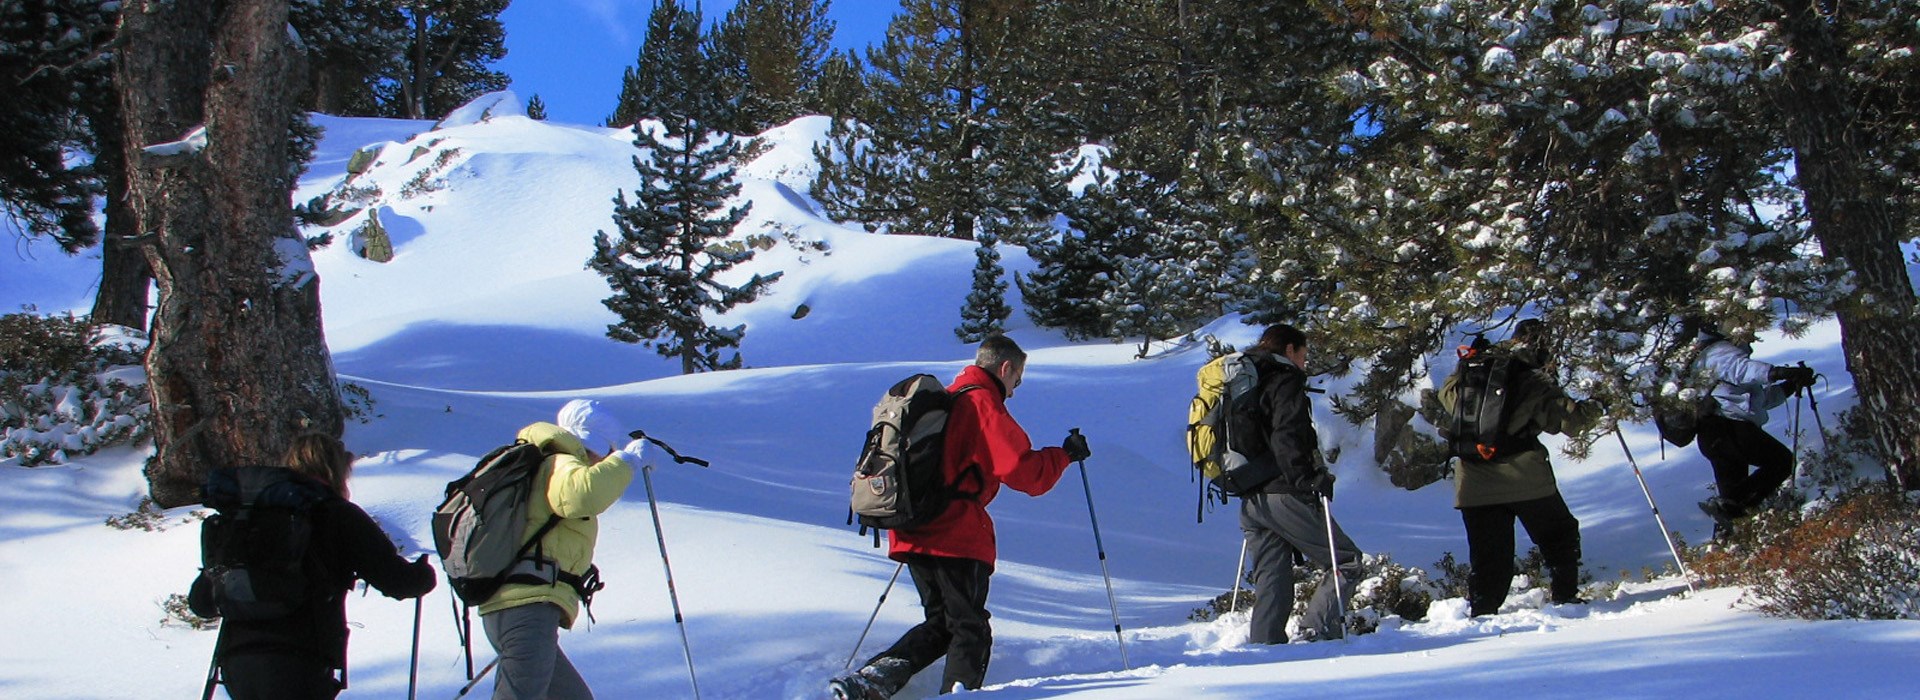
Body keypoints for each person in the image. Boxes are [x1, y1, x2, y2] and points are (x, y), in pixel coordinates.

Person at [833, 335, 1083, 698]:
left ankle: (871, 681)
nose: (1015, 389)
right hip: (956, 534)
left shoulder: (946, 398)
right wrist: (1064, 455)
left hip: (911, 528)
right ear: (1005, 368)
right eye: (1018, 379)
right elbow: (1025, 473)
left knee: (942, 625)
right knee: (969, 628)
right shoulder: (983, 403)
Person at [192, 433, 437, 700]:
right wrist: (424, 575)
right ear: (335, 469)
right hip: (302, 660)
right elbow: (398, 582)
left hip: (237, 661)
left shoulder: (243, 517)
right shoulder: (336, 514)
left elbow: (202, 603)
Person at [478, 399, 649, 700]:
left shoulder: (551, 463)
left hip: (523, 605)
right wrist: (625, 462)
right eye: (602, 451)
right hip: (525, 605)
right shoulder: (561, 460)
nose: (601, 459)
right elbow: (582, 496)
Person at [1437, 319, 1601, 616]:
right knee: (1559, 535)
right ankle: (1565, 599)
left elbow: (1446, 395)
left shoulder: (1477, 372)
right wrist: (1602, 402)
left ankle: (1483, 612)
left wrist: (1466, 367)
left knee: (1489, 556)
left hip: (1473, 484)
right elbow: (1573, 423)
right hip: (1526, 479)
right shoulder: (1534, 380)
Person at [1233, 323, 1363, 644]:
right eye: (1304, 355)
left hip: (1250, 496)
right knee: (1347, 562)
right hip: (1284, 492)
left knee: (1272, 579)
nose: (1305, 363)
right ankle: (1315, 634)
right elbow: (1287, 434)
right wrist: (1306, 479)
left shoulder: (1243, 379)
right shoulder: (1283, 378)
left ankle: (1265, 649)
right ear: (1290, 350)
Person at [1689, 325, 1815, 537]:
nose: (1752, 335)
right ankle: (1728, 512)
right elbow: (1742, 370)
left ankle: (1725, 547)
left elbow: (1755, 401)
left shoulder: (1716, 354)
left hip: (1715, 435)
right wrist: (1777, 373)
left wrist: (1789, 385)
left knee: (1733, 501)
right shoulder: (1719, 351)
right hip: (1729, 428)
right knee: (1781, 462)